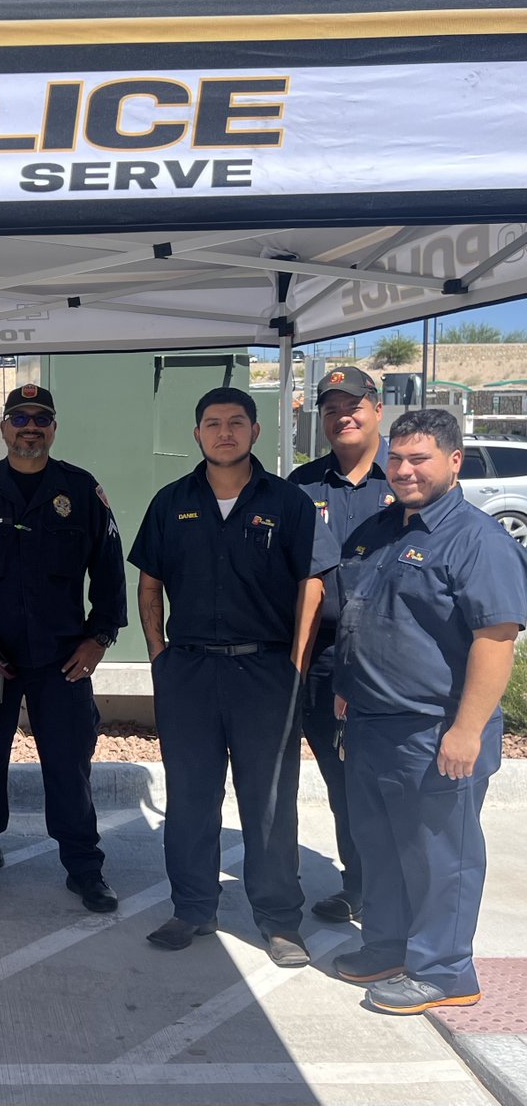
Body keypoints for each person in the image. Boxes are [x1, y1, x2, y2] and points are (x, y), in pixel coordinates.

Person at [128, 387, 337, 967]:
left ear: (255, 432)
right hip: (189, 670)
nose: (225, 432)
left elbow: (313, 584)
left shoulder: (289, 503)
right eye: (213, 423)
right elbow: (149, 583)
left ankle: (279, 921)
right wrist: (159, 654)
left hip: (265, 672)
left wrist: (296, 663)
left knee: (269, 801)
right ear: (197, 433)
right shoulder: (171, 502)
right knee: (191, 796)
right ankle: (193, 908)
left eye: (237, 422)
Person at [331, 408, 527, 1014]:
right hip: (371, 724)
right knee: (382, 847)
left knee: (442, 857)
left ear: (454, 461)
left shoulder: (478, 540)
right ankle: (388, 948)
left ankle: (445, 972)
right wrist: (348, 684)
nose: (405, 470)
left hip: (434, 730)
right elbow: (367, 613)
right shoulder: (380, 529)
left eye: (420, 459)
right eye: (396, 458)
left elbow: (496, 638)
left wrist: (466, 729)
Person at [0, 384, 127, 913]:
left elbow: (109, 569)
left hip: (61, 661)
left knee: (69, 763)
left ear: (54, 428)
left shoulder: (80, 490)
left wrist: (100, 637)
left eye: (40, 419)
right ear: (4, 427)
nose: (30, 427)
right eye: (20, 418)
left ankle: (84, 868)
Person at [288, 366, 394, 924]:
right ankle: (360, 884)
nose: (342, 417)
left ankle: (395, 890)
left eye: (352, 406)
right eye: (330, 409)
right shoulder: (301, 486)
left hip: (389, 660)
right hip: (323, 655)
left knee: (387, 779)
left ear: (377, 409)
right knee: (341, 776)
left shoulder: (404, 478)